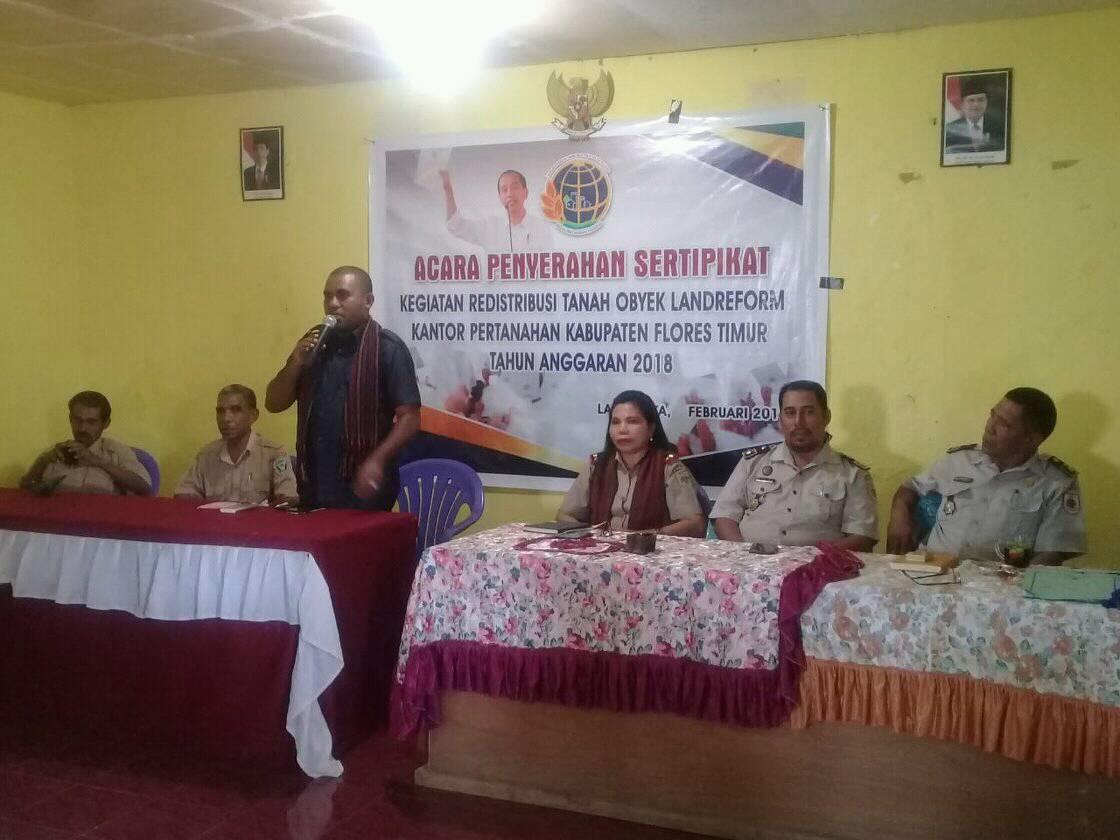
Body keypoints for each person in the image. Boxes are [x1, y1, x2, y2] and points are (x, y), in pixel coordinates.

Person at [265, 266, 420, 510]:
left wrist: (377, 460)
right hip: (314, 484)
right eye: (327, 296)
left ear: (367, 301)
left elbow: (409, 418)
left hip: (363, 487)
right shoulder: (314, 344)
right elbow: (273, 403)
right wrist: (295, 362)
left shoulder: (387, 348)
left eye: (342, 295)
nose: (332, 304)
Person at [886, 388, 1085, 565]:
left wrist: (1016, 585)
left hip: (999, 581)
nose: (990, 426)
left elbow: (1052, 554)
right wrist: (899, 518)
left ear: (1031, 439)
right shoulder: (958, 461)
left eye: (1004, 424)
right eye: (992, 415)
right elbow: (910, 487)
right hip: (934, 571)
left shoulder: (1056, 482)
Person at [711, 381, 877, 550]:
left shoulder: (853, 475)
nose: (798, 422)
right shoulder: (752, 463)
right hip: (750, 560)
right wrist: (743, 553)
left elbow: (862, 537)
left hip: (818, 565)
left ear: (826, 417)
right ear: (780, 420)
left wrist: (816, 561)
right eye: (790, 413)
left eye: (809, 412)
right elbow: (724, 517)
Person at [557, 390, 706, 537]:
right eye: (615, 422)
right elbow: (565, 515)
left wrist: (645, 536)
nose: (622, 429)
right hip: (599, 548)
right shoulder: (596, 465)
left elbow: (694, 524)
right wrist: (590, 536)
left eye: (632, 421)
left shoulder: (668, 466)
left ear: (651, 429)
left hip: (649, 550)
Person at [174, 384, 298, 505]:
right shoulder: (206, 455)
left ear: (253, 416)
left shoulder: (274, 454)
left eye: (235, 410)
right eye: (221, 411)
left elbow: (289, 499)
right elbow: (183, 495)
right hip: (214, 519)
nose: (226, 418)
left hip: (257, 519)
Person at [20, 391, 152, 496]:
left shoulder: (117, 452)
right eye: (77, 420)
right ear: (70, 419)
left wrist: (97, 461)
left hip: (101, 519)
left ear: (106, 423)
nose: (82, 428)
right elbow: (25, 489)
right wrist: (42, 462)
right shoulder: (57, 452)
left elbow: (145, 489)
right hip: (59, 518)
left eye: (91, 422)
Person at [441, 168, 554, 252]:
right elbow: (455, 225)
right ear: (500, 197)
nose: (509, 194)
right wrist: (448, 189)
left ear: (525, 192)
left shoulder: (542, 228)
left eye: (514, 187)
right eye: (504, 190)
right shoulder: (490, 227)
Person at [945, 75, 1005, 152]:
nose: (976, 104)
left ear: (986, 102)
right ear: (962, 104)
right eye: (971, 100)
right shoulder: (950, 130)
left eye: (980, 100)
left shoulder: (998, 127)